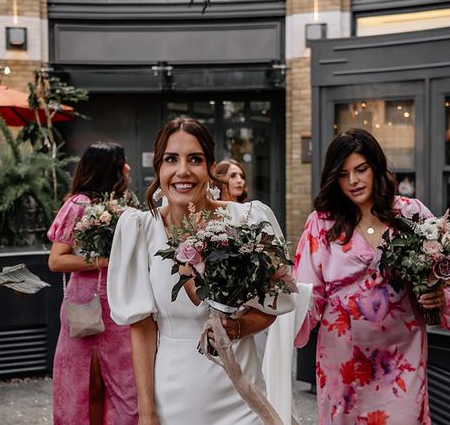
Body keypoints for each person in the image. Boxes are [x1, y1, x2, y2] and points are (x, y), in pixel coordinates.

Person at [107, 117, 293, 425]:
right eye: (171, 159)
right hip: (177, 393)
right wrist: (146, 411)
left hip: (241, 386)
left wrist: (239, 327)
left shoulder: (247, 219)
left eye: (195, 159)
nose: (183, 171)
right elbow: (141, 328)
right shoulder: (140, 229)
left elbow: (274, 301)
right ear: (158, 167)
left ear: (210, 167)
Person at [294, 128, 450, 424]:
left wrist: (440, 296)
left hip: (401, 359)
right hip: (343, 363)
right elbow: (306, 296)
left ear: (376, 167)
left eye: (361, 169)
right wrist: (266, 314)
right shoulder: (321, 224)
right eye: (343, 174)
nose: (352, 181)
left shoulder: (411, 213)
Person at [48, 142, 138, 425]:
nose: (128, 167)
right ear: (111, 167)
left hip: (120, 301)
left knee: (125, 381)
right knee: (82, 383)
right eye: (123, 162)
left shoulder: (127, 204)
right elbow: (56, 261)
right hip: (85, 303)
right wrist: (102, 261)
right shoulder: (78, 205)